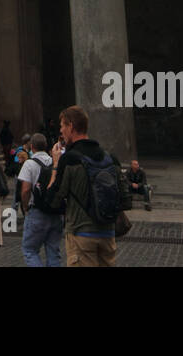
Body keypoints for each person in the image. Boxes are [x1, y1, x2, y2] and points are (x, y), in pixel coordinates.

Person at [51, 107, 130, 266]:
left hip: (81, 235)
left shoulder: (69, 159)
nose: (61, 131)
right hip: (107, 234)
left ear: (71, 126)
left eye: (62, 126)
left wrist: (55, 165)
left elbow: (53, 199)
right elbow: (123, 197)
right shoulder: (110, 158)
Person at [19, 132, 63, 267]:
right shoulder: (55, 162)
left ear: (32, 147)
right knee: (53, 252)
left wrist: (25, 207)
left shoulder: (29, 164)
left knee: (30, 250)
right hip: (55, 212)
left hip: (37, 211)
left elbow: (26, 190)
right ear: (46, 146)